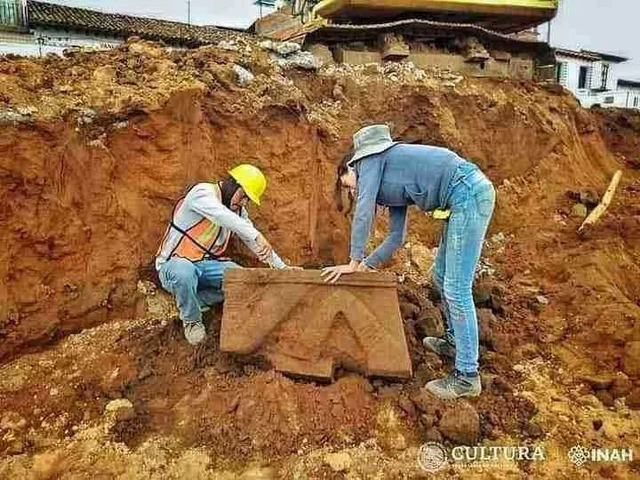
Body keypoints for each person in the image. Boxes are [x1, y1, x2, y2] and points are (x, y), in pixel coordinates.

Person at [322, 125, 496, 399]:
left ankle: (466, 376)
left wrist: (353, 261)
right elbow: (396, 237)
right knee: (439, 277)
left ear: (351, 166)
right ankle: (454, 342)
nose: (353, 193)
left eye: (348, 185)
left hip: (468, 193)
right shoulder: (392, 179)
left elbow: (364, 211)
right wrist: (368, 264)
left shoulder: (369, 161)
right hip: (462, 196)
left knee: (456, 288)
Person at [156, 164, 290, 345]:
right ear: (232, 184)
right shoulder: (202, 193)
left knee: (241, 278)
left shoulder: (238, 212)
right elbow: (222, 216)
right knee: (184, 271)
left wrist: (283, 269)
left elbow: (253, 241)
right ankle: (192, 321)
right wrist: (257, 235)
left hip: (203, 267)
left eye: (247, 200)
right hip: (173, 267)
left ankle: (194, 300)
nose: (243, 203)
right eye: (243, 196)